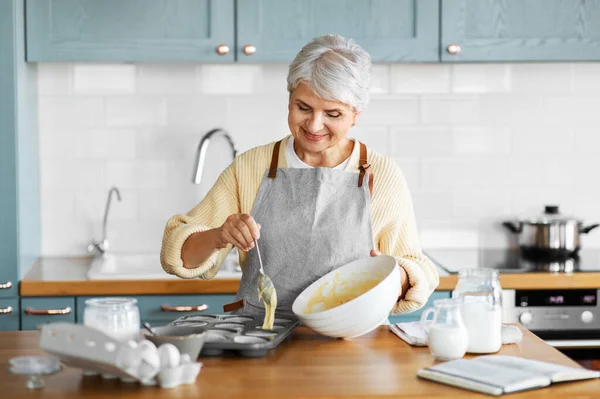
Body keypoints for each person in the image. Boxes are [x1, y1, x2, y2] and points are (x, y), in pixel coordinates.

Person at [160, 34, 439, 317]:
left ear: (355, 114)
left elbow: (419, 269)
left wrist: (397, 278)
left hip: (351, 343)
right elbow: (179, 256)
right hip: (259, 340)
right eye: (303, 107)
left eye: (333, 114)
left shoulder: (382, 175)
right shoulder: (250, 167)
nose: (314, 125)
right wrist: (220, 235)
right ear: (290, 97)